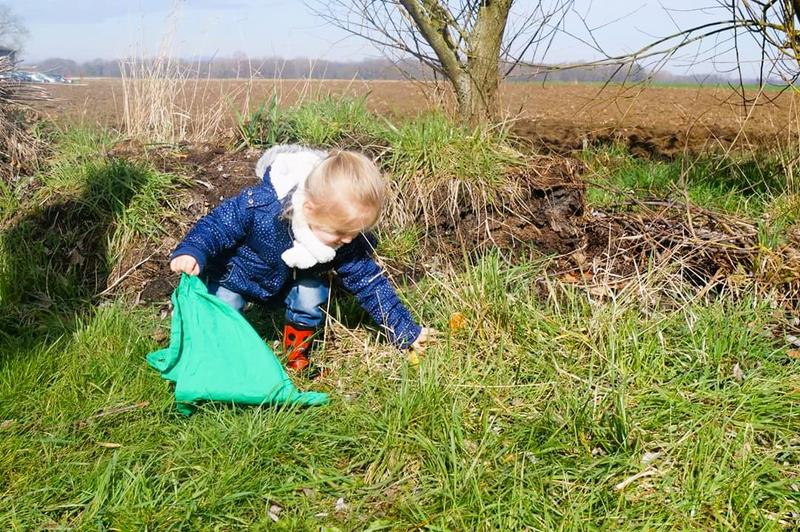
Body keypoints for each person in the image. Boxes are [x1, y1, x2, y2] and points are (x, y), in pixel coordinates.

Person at [169, 144, 433, 372]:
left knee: (311, 295)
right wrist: (192, 252)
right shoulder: (260, 206)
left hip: (286, 284)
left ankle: (295, 354)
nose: (348, 240)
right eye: (340, 232)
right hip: (235, 276)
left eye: (354, 232)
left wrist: (405, 332)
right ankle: (223, 359)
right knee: (224, 304)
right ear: (309, 209)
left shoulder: (344, 239)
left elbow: (370, 284)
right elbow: (216, 226)